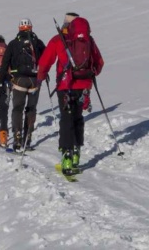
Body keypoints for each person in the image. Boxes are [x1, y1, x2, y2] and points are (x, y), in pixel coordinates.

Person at [38, 14, 104, 176]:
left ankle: (66, 155)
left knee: (67, 118)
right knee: (78, 117)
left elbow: (45, 61)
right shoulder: (88, 40)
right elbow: (99, 62)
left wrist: (40, 77)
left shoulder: (58, 39)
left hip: (65, 87)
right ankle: (76, 153)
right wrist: (91, 74)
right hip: (84, 86)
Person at [1, 18, 46, 151]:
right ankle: (28, 137)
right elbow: (46, 58)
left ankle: (17, 136)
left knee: (17, 108)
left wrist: (5, 77)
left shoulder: (13, 43)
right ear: (31, 28)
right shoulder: (37, 42)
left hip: (19, 80)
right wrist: (44, 73)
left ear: (19, 29)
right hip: (34, 80)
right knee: (31, 109)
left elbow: (5, 63)